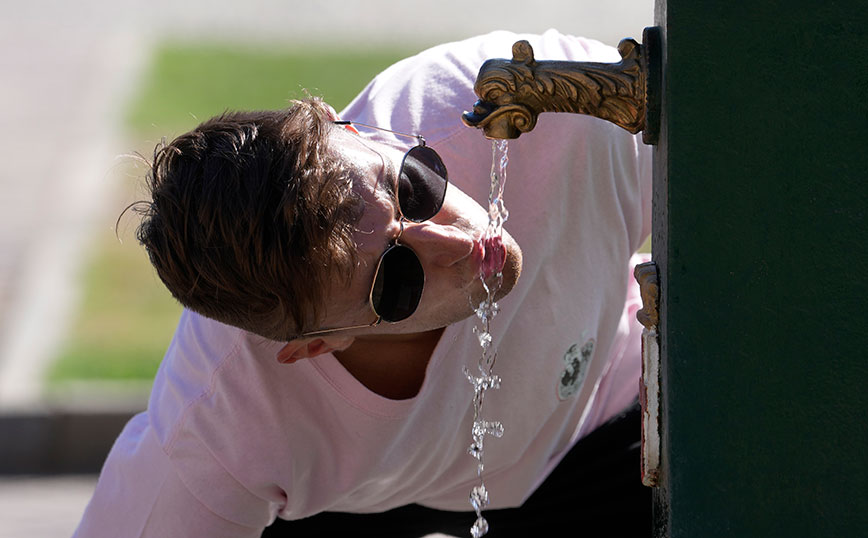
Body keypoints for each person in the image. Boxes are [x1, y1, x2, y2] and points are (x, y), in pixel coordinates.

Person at [74, 29, 652, 537]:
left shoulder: (526, 105)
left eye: (415, 189)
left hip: (600, 417)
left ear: (341, 123)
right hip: (344, 510)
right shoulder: (223, 427)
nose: (461, 244)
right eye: (395, 281)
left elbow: (729, 157)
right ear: (313, 346)